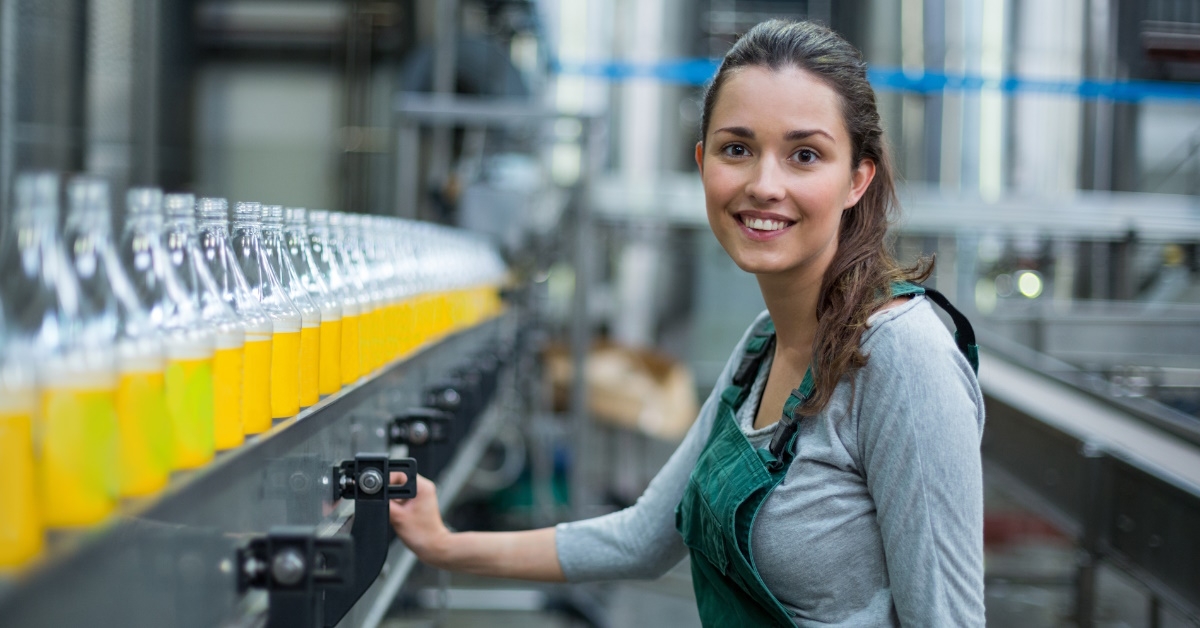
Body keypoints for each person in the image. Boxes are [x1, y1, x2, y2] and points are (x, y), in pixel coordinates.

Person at [389, 19, 986, 627]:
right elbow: (642, 538)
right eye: (737, 149)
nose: (764, 184)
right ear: (703, 163)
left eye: (804, 155)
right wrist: (442, 545)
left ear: (857, 178)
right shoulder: (762, 346)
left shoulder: (903, 355)